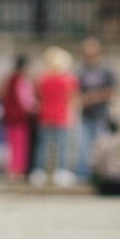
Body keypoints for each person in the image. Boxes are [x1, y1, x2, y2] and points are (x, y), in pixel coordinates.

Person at [33, 45, 78, 187]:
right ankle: (61, 172)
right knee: (61, 146)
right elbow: (72, 98)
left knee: (43, 145)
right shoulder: (68, 79)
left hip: (45, 115)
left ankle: (39, 172)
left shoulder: (42, 79)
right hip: (61, 116)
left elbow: (38, 96)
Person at [75, 34, 117, 179]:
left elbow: (112, 91)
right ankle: (83, 175)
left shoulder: (106, 70)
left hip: (101, 114)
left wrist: (95, 97)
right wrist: (82, 99)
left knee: (102, 147)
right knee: (83, 147)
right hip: (86, 114)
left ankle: (102, 174)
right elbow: (75, 91)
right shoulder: (81, 70)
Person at [0, 54, 36, 181]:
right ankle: (17, 171)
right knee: (20, 145)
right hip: (19, 118)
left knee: (10, 145)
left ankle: (11, 170)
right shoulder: (21, 80)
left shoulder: (8, 79)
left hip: (9, 118)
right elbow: (25, 101)